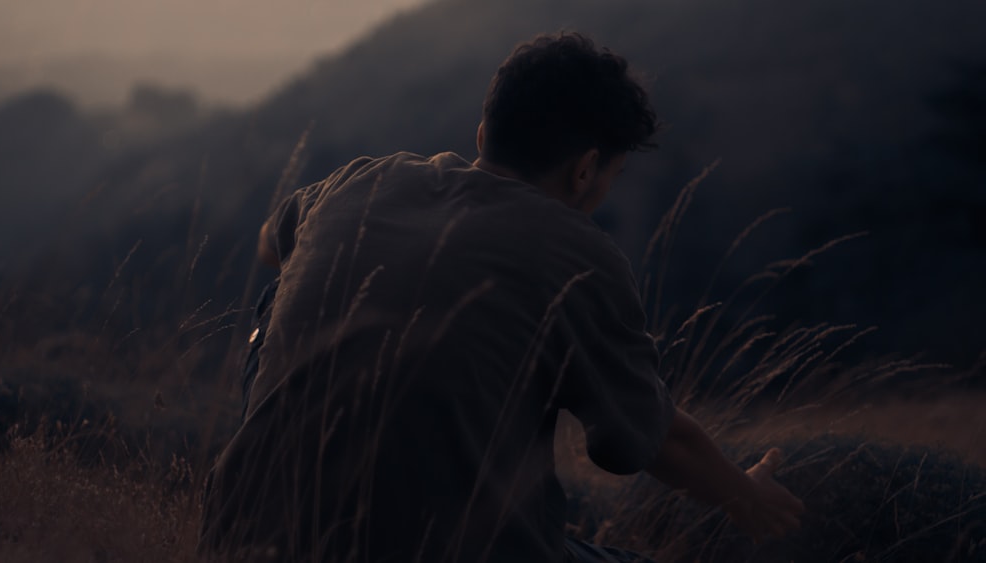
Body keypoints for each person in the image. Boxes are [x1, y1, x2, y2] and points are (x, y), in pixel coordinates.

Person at [199, 31, 804, 562]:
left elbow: (271, 242)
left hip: (240, 540)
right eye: (612, 177)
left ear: (484, 132)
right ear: (586, 169)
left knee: (285, 283)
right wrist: (745, 496)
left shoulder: (356, 182)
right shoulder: (579, 257)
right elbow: (645, 442)